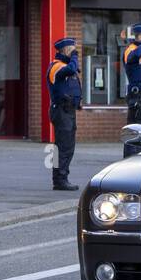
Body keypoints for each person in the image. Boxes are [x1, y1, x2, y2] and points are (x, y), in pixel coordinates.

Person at [46, 37, 83, 191]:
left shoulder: (66, 66)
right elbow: (70, 70)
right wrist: (74, 57)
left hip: (68, 110)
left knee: (67, 146)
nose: (74, 51)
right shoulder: (56, 66)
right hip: (61, 110)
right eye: (71, 49)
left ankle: (61, 177)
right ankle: (59, 179)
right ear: (64, 50)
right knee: (62, 146)